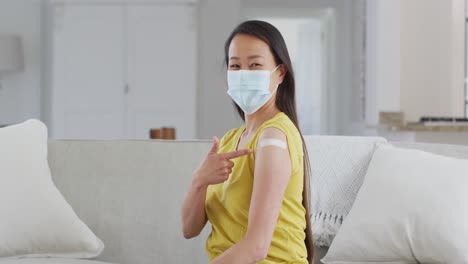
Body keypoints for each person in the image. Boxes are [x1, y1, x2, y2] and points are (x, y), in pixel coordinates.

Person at [182, 20, 313, 264]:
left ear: (280, 73)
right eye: (235, 66)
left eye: (255, 65)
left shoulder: (274, 138)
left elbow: (256, 248)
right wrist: (200, 180)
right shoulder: (230, 140)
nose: (244, 74)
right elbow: (189, 229)